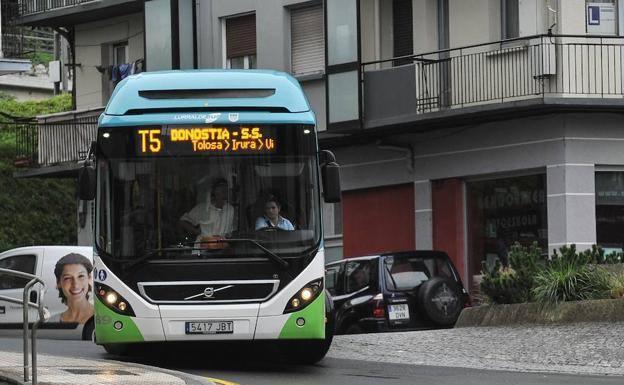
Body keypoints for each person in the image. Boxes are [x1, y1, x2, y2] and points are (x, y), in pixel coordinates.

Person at [180, 178, 235, 245]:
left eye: (226, 190)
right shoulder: (202, 208)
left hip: (221, 251)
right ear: (214, 192)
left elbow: (230, 233)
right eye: (222, 190)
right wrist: (196, 231)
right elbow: (183, 221)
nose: (224, 193)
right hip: (202, 250)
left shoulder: (230, 210)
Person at [53, 253, 94, 324]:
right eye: (68, 278)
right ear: (58, 282)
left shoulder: (101, 317)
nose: (75, 285)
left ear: (89, 278)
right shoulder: (52, 321)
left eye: (81, 276)